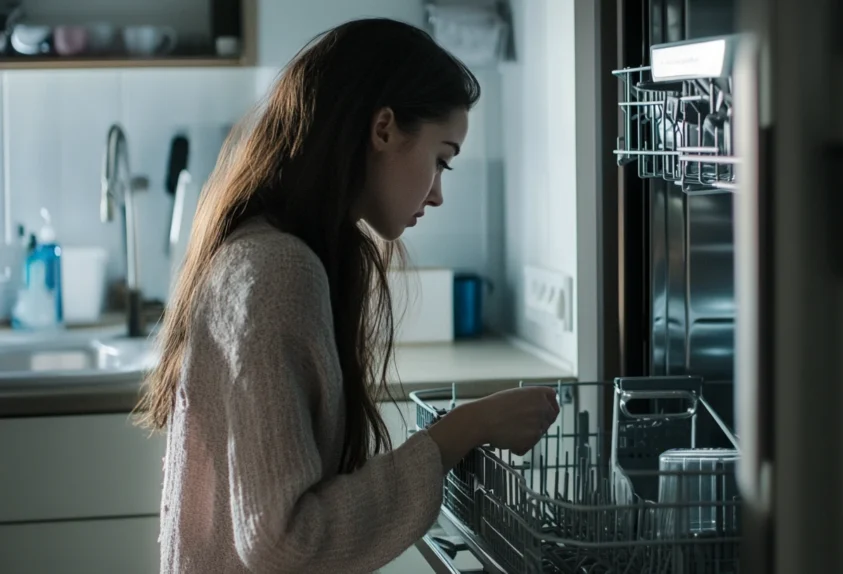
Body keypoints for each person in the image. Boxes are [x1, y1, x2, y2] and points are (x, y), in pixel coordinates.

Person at [136, 18, 560, 573]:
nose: (436, 193)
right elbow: (285, 542)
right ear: (383, 129)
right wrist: (460, 433)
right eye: (440, 158)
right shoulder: (277, 269)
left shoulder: (265, 251)